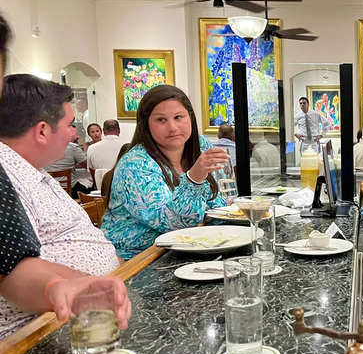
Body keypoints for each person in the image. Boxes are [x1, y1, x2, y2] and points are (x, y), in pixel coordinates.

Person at [0, 71, 123, 339]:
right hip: (42, 330)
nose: (73, 134)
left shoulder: (33, 171)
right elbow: (14, 267)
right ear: (43, 130)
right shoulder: (7, 177)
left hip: (89, 309)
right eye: (70, 124)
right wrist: (90, 287)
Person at [101, 85, 228, 260]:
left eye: (178, 117)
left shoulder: (200, 145)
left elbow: (218, 203)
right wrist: (194, 179)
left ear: (190, 117)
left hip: (190, 249)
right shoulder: (135, 165)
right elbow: (172, 223)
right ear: (146, 125)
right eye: (161, 120)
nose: (173, 127)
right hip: (140, 261)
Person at [44, 130, 94, 197]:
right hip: (70, 190)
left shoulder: (40, 148)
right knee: (92, 188)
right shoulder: (72, 147)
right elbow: (88, 166)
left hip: (48, 191)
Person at [87, 118, 125, 189]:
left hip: (101, 190)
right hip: (122, 188)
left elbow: (91, 171)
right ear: (119, 130)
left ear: (103, 131)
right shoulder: (127, 146)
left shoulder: (91, 148)